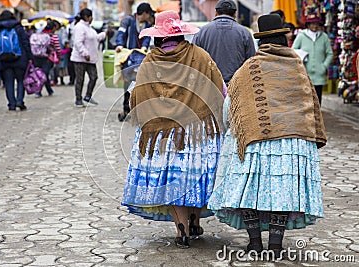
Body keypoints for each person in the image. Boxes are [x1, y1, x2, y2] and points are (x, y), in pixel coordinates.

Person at [208, 14, 327, 258]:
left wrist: (233, 127)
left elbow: (231, 105)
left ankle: (254, 243)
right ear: (283, 39)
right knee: (282, 193)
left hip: (255, 138)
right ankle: (275, 244)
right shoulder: (296, 67)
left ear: (261, 42)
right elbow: (309, 100)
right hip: (291, 140)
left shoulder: (248, 69)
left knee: (251, 191)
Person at [121, 10, 225, 249]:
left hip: (162, 135)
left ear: (158, 36)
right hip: (197, 132)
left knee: (173, 180)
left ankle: (182, 231)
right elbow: (220, 88)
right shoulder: (200, 56)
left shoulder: (149, 62)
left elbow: (136, 97)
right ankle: (195, 220)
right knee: (195, 176)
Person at [192, 0, 256, 84]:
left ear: (215, 12)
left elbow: (194, 60)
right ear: (235, 14)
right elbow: (251, 63)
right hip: (237, 87)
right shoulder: (244, 33)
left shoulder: (201, 32)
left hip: (210, 86)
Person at [115, 2, 154, 121]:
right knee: (128, 84)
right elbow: (121, 33)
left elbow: (147, 38)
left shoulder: (147, 24)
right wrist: (120, 45)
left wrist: (145, 46)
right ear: (144, 13)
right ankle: (126, 108)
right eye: (149, 14)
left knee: (141, 84)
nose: (150, 16)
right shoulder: (128, 21)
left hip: (141, 56)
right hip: (128, 56)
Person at [0, 10, 33, 111]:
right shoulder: (18, 28)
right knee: (20, 81)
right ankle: (19, 101)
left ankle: (11, 104)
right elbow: (25, 43)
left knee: (8, 82)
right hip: (19, 58)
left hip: (3, 60)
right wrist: (30, 57)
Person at [292, 14, 333, 105]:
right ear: (308, 25)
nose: (314, 26)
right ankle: (308, 119)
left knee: (318, 101)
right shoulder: (301, 36)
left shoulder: (324, 37)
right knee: (306, 101)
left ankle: (317, 119)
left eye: (316, 24)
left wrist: (324, 66)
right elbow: (293, 51)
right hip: (305, 74)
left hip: (319, 75)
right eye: (312, 24)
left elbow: (330, 53)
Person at [70, 8, 106, 107]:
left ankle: (88, 95)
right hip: (80, 59)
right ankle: (78, 99)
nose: (92, 18)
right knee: (80, 79)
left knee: (94, 77)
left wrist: (103, 34)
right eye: (91, 16)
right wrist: (84, 53)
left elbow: (95, 38)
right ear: (86, 17)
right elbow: (78, 42)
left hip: (90, 59)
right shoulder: (79, 27)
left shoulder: (89, 28)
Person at [32, 21, 60, 98]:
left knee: (42, 74)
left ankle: (48, 90)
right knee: (44, 74)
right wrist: (58, 57)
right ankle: (39, 91)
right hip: (48, 58)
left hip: (37, 57)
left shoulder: (37, 35)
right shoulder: (54, 37)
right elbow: (57, 49)